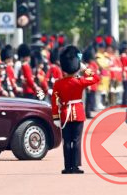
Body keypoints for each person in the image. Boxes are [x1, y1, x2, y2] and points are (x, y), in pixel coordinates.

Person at [51, 46, 100, 174]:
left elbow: (54, 102)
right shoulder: (79, 81)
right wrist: (85, 69)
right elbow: (96, 78)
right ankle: (76, 166)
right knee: (76, 141)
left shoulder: (58, 83)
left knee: (66, 141)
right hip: (78, 113)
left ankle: (68, 167)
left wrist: (55, 117)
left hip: (65, 114)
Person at [81, 47, 98, 118]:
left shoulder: (92, 64)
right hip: (90, 85)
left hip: (93, 85)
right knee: (88, 100)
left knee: (91, 100)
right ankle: (87, 113)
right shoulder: (88, 66)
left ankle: (88, 113)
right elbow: (87, 76)